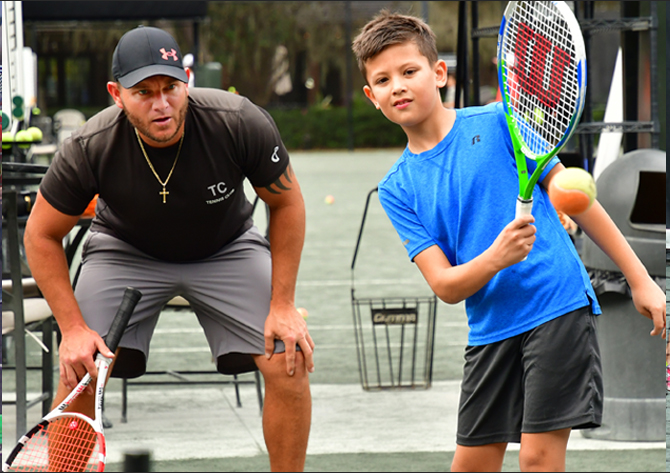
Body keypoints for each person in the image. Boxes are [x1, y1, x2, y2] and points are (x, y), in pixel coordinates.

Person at [352, 11, 666, 472]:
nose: (397, 85)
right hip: (490, 329)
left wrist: (639, 279)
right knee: (471, 465)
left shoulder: (503, 121)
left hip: (555, 305)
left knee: (538, 459)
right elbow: (446, 285)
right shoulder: (398, 188)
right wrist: (496, 258)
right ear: (370, 96)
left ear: (439, 73)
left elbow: (578, 201)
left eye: (408, 71)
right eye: (382, 79)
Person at [24, 26, 313, 472]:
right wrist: (73, 328)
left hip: (227, 247)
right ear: (116, 94)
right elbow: (40, 234)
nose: (161, 104)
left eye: (171, 88)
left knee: (288, 357)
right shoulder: (89, 145)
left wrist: (283, 303)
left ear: (187, 82)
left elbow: (286, 202)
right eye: (143, 92)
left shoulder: (237, 120)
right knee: (81, 371)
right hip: (125, 251)